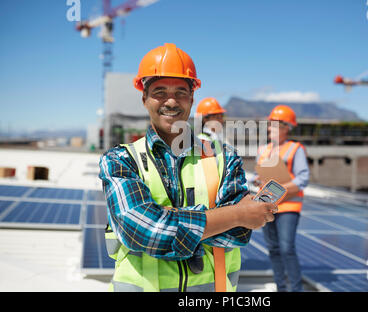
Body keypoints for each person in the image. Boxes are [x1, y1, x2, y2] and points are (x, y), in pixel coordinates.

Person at [98, 43, 277, 292]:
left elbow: (238, 233)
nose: (171, 101)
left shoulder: (224, 157)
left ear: (192, 98)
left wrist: (167, 217)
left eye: (181, 92)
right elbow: (141, 230)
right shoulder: (120, 159)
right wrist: (234, 214)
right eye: (160, 92)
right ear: (144, 98)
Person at [255, 105, 309, 292]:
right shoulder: (263, 150)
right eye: (270, 126)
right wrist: (258, 181)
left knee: (287, 249)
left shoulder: (296, 149)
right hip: (268, 206)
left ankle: (295, 289)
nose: (271, 129)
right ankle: (281, 288)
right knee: (274, 250)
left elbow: (302, 179)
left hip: (288, 207)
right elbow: (262, 176)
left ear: (287, 127)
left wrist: (278, 189)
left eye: (275, 126)